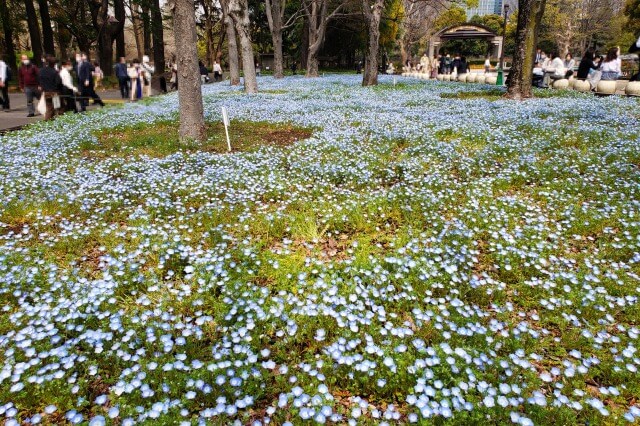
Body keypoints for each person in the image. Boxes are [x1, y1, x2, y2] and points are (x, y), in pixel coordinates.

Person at [39, 56, 62, 121]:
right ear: (53, 64)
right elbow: (58, 82)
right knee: (57, 107)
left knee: (49, 107)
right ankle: (56, 120)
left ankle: (47, 120)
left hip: (46, 92)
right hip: (54, 92)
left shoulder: (41, 71)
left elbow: (39, 80)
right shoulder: (54, 72)